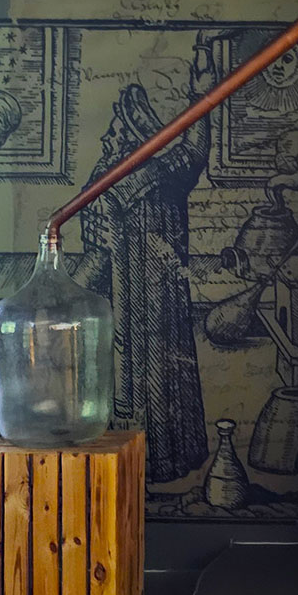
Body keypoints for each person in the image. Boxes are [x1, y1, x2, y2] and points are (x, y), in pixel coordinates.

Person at [79, 61, 210, 485]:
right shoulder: (148, 175)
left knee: (144, 379)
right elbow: (194, 151)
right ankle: (155, 462)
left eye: (114, 128)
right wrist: (201, 93)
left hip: (142, 305)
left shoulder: (135, 180)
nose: (107, 136)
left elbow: (98, 257)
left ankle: (155, 463)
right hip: (132, 302)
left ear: (131, 139)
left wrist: (71, 291)